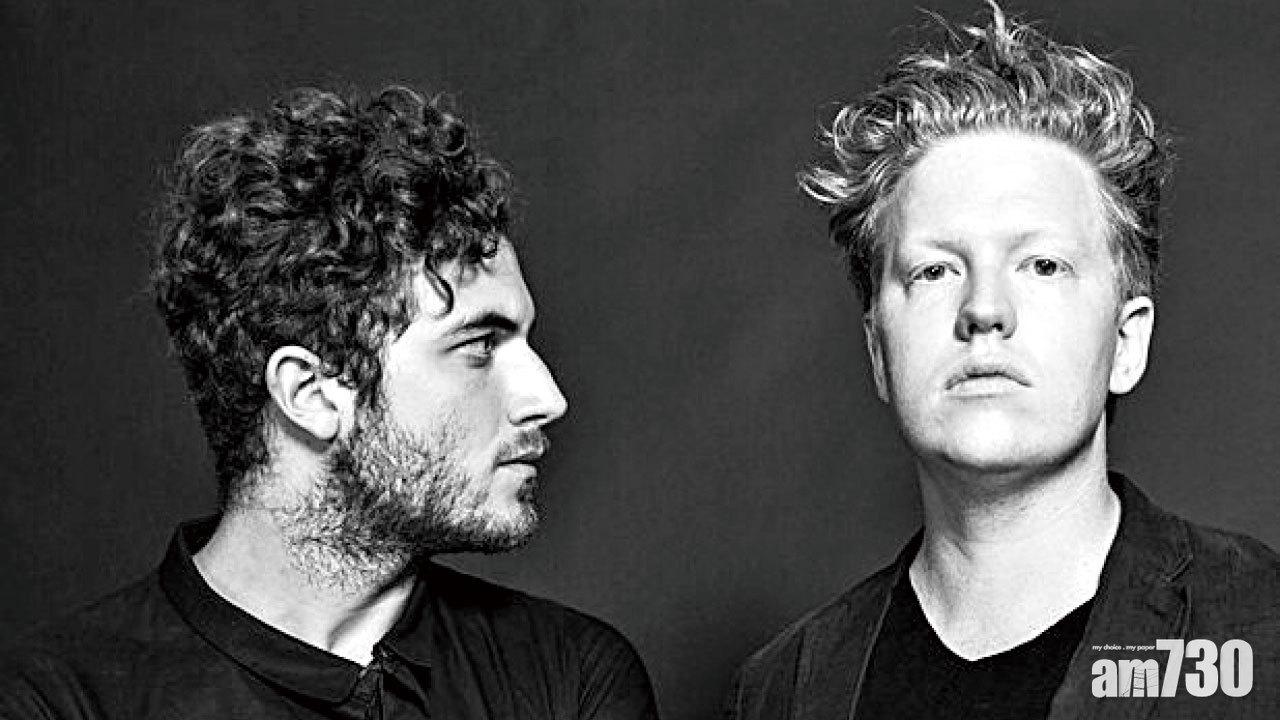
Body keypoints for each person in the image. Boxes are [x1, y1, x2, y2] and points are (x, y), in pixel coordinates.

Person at [1, 85, 657, 720]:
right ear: (310, 394)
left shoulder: (569, 678)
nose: (547, 397)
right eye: (480, 346)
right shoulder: (56, 702)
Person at [726, 4, 1280, 719]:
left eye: (1042, 264)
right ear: (878, 352)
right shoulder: (783, 691)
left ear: (1127, 342)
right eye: (934, 271)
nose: (984, 309)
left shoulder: (1258, 638)